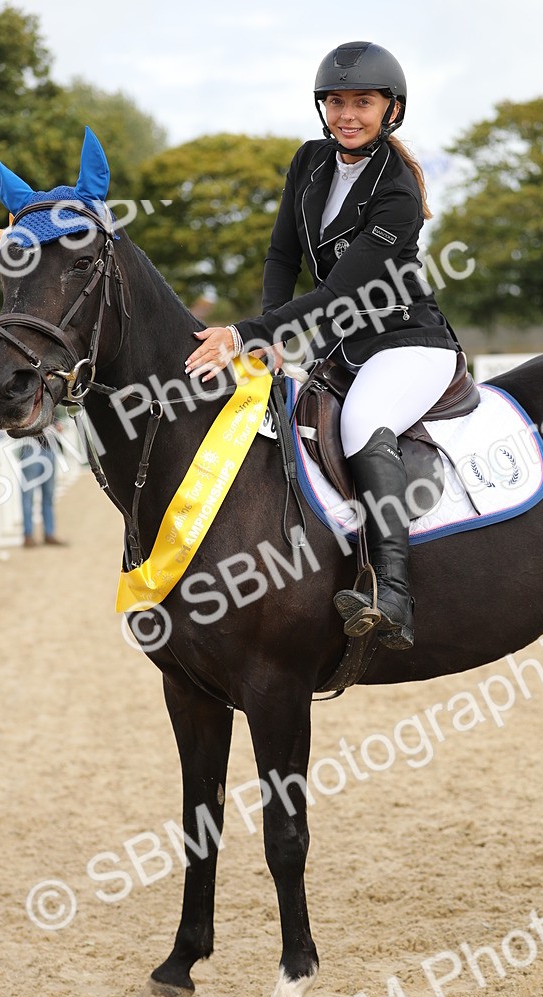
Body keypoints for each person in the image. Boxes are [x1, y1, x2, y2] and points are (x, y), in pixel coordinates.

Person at [184, 41, 461, 651]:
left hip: (407, 342)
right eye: (336, 101)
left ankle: (392, 594)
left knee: (362, 421)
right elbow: (282, 254)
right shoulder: (309, 161)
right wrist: (271, 335)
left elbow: (339, 290)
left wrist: (242, 334)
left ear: (391, 109)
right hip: (341, 348)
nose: (347, 114)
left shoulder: (399, 195)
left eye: (363, 102)